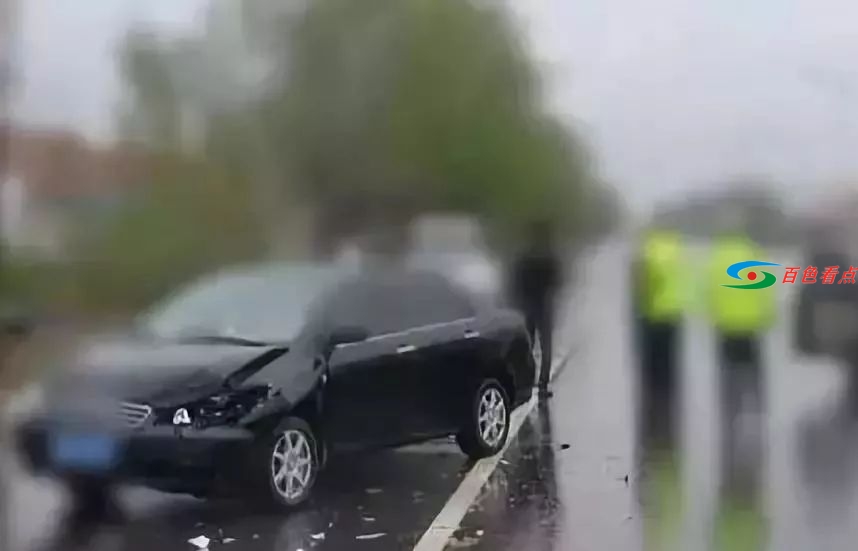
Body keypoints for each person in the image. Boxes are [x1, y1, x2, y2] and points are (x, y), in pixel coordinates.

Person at [705, 225, 776, 551]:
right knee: (754, 374)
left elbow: (710, 293)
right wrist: (766, 318)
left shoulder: (718, 259)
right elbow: (767, 290)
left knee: (729, 376)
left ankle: (730, 412)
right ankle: (756, 409)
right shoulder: (755, 257)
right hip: (750, 327)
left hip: (727, 328)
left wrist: (715, 317)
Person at [630, 226, 686, 551]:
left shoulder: (648, 252)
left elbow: (641, 285)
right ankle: (670, 396)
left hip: (653, 314)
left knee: (653, 366)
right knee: (671, 365)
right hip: (673, 314)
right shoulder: (676, 250)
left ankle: (655, 398)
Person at [508, 221, 563, 397]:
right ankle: (542, 385)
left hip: (527, 306)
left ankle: (522, 383)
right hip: (544, 305)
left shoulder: (524, 257)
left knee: (527, 345)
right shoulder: (550, 257)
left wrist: (518, 301)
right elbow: (557, 282)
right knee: (546, 347)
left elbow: (515, 282)